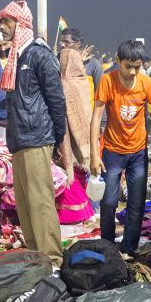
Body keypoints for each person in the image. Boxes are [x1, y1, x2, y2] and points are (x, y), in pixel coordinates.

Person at [0, 0, 66, 265]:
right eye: (2, 21)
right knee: (24, 205)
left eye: (8, 21)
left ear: (22, 23)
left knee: (40, 202)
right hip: (20, 139)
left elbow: (56, 101)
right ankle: (36, 259)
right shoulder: (18, 56)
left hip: (37, 137)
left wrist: (58, 139)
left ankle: (53, 260)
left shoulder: (39, 55)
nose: (3, 27)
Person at [90, 39, 151, 253]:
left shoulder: (145, 83)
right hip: (112, 151)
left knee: (136, 204)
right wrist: (94, 153)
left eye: (137, 67)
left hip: (138, 152)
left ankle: (129, 247)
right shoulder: (107, 81)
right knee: (109, 202)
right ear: (118, 61)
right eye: (127, 66)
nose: (132, 72)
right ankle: (108, 245)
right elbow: (96, 117)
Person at [57, 46, 95, 224]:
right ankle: (83, 212)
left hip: (68, 137)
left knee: (68, 173)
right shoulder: (82, 81)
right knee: (80, 175)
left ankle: (70, 215)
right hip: (86, 138)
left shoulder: (63, 84)